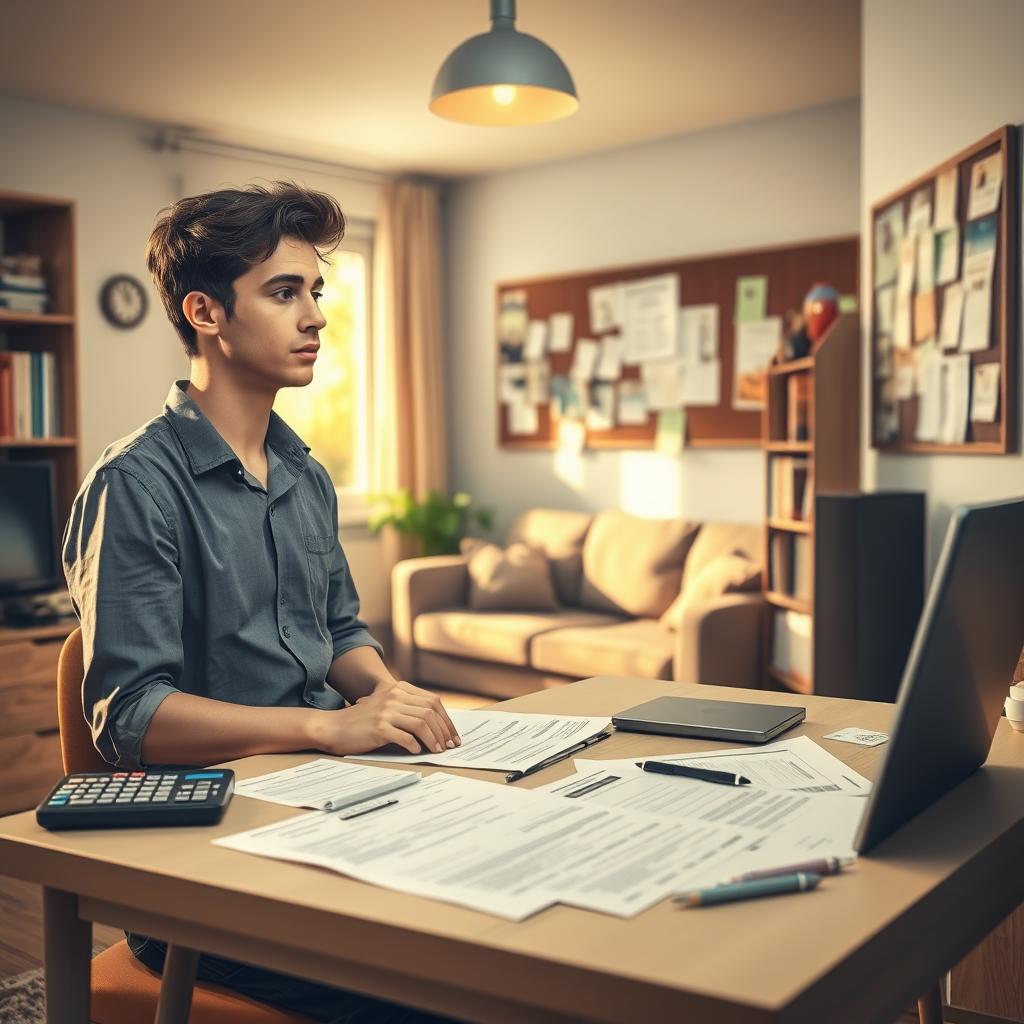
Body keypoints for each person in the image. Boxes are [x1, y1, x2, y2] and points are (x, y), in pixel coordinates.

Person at [62, 180, 459, 1023]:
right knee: (454, 990)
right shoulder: (135, 484)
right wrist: (325, 726)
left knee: (505, 928)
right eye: (285, 293)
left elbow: (340, 628)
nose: (316, 317)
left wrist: (383, 692)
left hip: (330, 810)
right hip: (205, 870)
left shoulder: (308, 476)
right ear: (206, 313)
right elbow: (131, 714)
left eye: (315, 292)